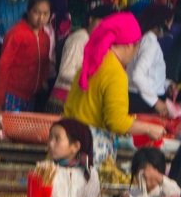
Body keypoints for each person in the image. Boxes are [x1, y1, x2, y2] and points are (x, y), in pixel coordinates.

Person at [64, 11, 164, 158]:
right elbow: (116, 122)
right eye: (137, 46)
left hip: (70, 140)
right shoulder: (115, 72)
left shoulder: (96, 61)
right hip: (87, 148)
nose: (136, 52)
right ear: (129, 45)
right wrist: (149, 128)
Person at [0, 0, 54, 112]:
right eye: (36, 12)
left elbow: (45, 62)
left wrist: (44, 80)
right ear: (28, 11)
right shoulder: (16, 33)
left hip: (32, 97)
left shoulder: (45, 37)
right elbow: (3, 66)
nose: (41, 18)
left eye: (45, 13)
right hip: (12, 95)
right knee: (9, 129)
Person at [127, 3, 175, 117]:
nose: (171, 26)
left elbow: (148, 74)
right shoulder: (150, 42)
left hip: (137, 96)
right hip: (144, 102)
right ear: (163, 23)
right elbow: (137, 74)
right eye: (170, 22)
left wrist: (166, 84)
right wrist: (155, 101)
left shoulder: (142, 38)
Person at [44, 118, 102, 197]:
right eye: (50, 137)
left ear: (75, 146)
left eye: (57, 139)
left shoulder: (89, 172)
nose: (50, 143)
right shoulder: (45, 169)